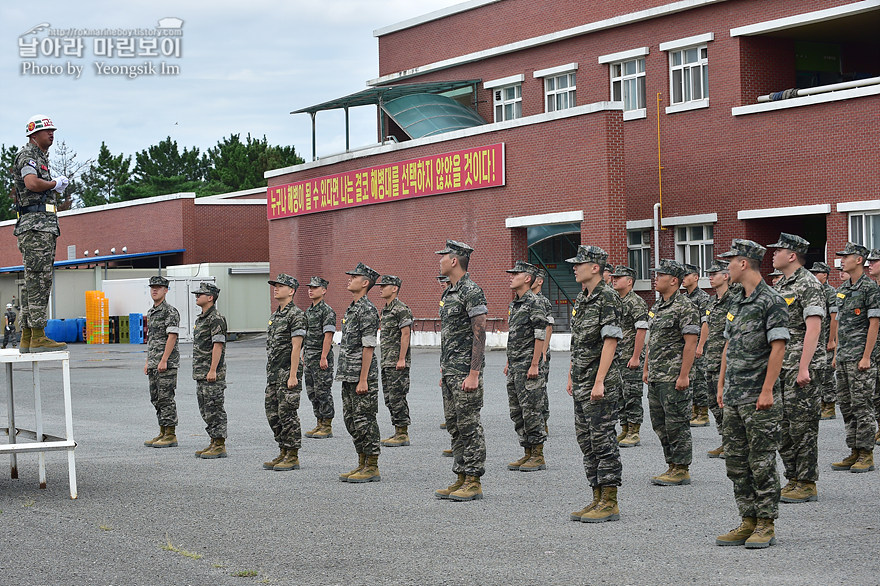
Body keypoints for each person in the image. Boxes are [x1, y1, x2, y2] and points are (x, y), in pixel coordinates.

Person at [715, 239, 789, 548]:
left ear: (744, 263)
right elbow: (728, 346)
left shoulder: (772, 301)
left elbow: (779, 346)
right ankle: (747, 519)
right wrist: (720, 385)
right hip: (734, 394)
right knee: (736, 462)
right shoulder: (736, 300)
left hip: (758, 397)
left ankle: (765, 523)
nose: (727, 266)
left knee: (761, 462)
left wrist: (768, 389)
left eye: (730, 261)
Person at [566, 246, 624, 523]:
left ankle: (610, 501)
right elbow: (577, 342)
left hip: (600, 383)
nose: (574, 268)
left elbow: (610, 341)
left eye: (580, 264)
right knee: (586, 441)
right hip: (581, 381)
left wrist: (599, 380)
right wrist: (570, 375)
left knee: (603, 441)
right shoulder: (582, 298)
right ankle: (596, 496)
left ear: (595, 268)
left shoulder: (608, 297)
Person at [767, 233, 825, 504]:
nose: (773, 254)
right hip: (781, 366)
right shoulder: (781, 286)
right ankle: (793, 478)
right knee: (783, 426)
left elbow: (813, 329)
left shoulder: (808, 284)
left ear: (792, 255)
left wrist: (804, 367)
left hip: (801, 367)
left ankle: (806, 482)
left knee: (802, 426)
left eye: (778, 250)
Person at [433, 240, 488, 502]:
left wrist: (474, 373)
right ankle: (461, 476)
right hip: (451, 371)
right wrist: (444, 369)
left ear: (454, 260)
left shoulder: (471, 291)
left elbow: (479, 334)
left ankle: (474, 480)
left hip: (466, 372)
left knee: (470, 426)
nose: (440, 260)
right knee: (455, 426)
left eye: (443, 256)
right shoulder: (449, 293)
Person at [12, 115, 68, 353]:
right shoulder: (28, 155)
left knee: (34, 280)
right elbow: (32, 183)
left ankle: (27, 336)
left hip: (40, 224)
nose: (52, 134)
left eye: (53, 130)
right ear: (34, 135)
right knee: (39, 280)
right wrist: (54, 183)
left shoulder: (39, 156)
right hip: (36, 226)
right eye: (47, 131)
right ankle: (37, 335)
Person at [643, 260, 700, 486]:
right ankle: (671, 464)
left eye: (660, 275)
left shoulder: (685, 307)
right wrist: (646, 367)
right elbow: (652, 341)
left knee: (677, 423)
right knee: (660, 424)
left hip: (674, 376)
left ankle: (682, 468)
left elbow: (690, 342)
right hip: (657, 375)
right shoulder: (657, 307)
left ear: (674, 281)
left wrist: (684, 374)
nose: (655, 278)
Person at [831, 242, 880, 473]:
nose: (842, 260)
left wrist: (867, 356)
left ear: (859, 259)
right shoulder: (844, 289)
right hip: (843, 358)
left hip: (860, 358)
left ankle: (866, 454)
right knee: (847, 407)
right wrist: (836, 353)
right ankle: (854, 451)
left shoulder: (870, 288)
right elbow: (840, 324)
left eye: (846, 256)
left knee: (863, 406)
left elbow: (874, 324)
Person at [337, 263, 382, 483]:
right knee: (351, 421)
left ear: (365, 283)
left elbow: (368, 347)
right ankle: (361, 462)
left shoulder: (367, 309)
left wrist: (363, 378)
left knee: (365, 420)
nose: (349, 279)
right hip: (348, 375)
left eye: (354, 276)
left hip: (362, 377)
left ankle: (372, 466)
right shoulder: (352, 307)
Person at [504, 261, 549, 472]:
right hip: (515, 365)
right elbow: (514, 336)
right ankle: (527, 452)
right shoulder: (516, 304)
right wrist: (508, 362)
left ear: (528, 278)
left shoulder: (534, 302)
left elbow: (540, 334)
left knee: (531, 410)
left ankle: (538, 454)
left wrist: (534, 364)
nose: (511, 277)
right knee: (517, 411)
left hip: (528, 366)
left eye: (516, 274)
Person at [262, 274, 307, 472]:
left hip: (288, 372)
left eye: (280, 286)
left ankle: (292, 454)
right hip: (273, 373)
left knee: (287, 413)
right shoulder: (275, 315)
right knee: (272, 413)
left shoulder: (296, 315)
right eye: (275, 286)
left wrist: (293, 375)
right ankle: (282, 450)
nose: (276, 289)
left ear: (291, 291)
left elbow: (296, 347)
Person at [610, 265, 648, 448]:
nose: (614, 280)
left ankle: (634, 431)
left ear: (630, 281)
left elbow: (641, 330)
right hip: (617, 356)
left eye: (619, 277)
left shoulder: (636, 302)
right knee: (619, 395)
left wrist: (635, 356)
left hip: (630, 357)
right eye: (613, 277)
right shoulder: (615, 300)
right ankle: (624, 428)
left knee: (632, 394)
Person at [702, 260, 737, 458]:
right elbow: (707, 325)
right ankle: (725, 440)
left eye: (714, 273)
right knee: (714, 403)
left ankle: (733, 443)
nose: (710, 276)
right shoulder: (712, 301)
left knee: (727, 403)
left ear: (726, 276)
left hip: (727, 359)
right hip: (711, 357)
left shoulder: (734, 299)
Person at [143, 276, 183, 449]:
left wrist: (164, 359)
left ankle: (171, 434)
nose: (155, 290)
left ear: (166, 290)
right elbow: (151, 339)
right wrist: (148, 361)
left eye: (158, 288)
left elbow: (172, 336)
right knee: (156, 398)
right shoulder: (151, 312)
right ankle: (162, 430)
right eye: (152, 287)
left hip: (166, 363)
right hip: (154, 362)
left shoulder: (170, 312)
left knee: (166, 398)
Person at [192, 282, 229, 459]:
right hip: (201, 372)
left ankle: (220, 444)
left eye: (200, 294)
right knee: (205, 408)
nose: (196, 296)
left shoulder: (216, 318)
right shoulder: (201, 318)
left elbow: (218, 345)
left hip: (212, 373)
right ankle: (213, 441)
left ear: (210, 297)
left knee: (214, 407)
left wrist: (213, 369)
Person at [377, 275, 414, 448]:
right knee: (389, 398)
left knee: (397, 397)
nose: (381, 288)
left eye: (385, 286)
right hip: (386, 361)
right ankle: (397, 430)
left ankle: (402, 433)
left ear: (395, 288)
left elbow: (406, 334)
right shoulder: (385, 309)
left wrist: (401, 358)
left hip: (397, 362)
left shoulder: (401, 309)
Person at [303, 277, 336, 439]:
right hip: (309, 357)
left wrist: (323, 357)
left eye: (315, 288)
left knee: (323, 391)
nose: (311, 290)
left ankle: (327, 425)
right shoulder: (308, 311)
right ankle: (319, 422)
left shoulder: (327, 311)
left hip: (321, 357)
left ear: (323, 290)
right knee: (312, 392)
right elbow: (306, 334)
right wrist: (303, 352)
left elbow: (328, 335)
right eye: (310, 287)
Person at [682, 263, 711, 427]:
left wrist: (700, 345)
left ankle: (703, 413)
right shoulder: (685, 298)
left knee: (700, 378)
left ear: (696, 277)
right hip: (688, 344)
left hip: (700, 344)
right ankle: (693, 410)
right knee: (691, 377)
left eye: (687, 276)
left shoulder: (703, 298)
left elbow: (705, 324)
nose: (683, 279)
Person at [808, 262, 839, 420]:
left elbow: (834, 318)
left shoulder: (830, 292)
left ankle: (830, 405)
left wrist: (832, 340)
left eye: (817, 273)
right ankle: (821, 402)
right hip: (816, 340)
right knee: (817, 373)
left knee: (827, 373)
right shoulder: (812, 291)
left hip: (826, 338)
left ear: (825, 275)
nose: (814, 275)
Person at [530, 269, 554, 432]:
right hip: (526, 351)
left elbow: (548, 328)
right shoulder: (525, 300)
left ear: (540, 281)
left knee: (540, 387)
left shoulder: (543, 302)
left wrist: (543, 352)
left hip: (540, 352)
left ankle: (542, 420)